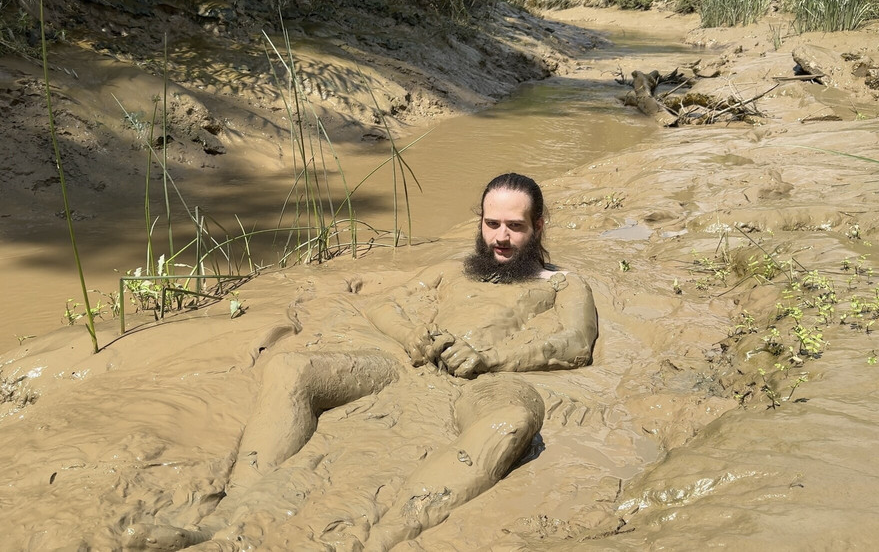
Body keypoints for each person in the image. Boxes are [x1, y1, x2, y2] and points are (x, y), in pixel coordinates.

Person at [124, 173, 599, 551]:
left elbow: (576, 342)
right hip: (408, 368)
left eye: (514, 226)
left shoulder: (562, 283)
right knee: (291, 368)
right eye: (491, 224)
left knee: (512, 420)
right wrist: (413, 335)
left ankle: (381, 539)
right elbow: (384, 306)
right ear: (480, 222)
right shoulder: (451, 268)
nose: (500, 238)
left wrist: (490, 358)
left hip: (486, 382)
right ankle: (223, 520)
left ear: (537, 227)